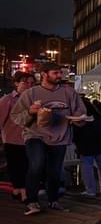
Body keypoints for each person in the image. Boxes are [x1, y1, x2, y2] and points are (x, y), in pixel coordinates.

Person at [11, 62, 87, 215]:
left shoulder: (69, 93)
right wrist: (31, 112)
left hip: (60, 136)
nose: (59, 76)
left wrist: (79, 119)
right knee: (37, 164)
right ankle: (32, 202)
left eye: (60, 73)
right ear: (44, 74)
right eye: (55, 73)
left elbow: (81, 113)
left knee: (54, 170)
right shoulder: (31, 93)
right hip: (35, 135)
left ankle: (53, 200)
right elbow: (16, 116)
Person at [0, 71, 35, 201]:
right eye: (25, 82)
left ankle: (18, 190)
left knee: (28, 166)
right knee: (15, 166)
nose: (28, 85)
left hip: (30, 138)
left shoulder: (33, 100)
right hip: (12, 139)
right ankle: (22, 191)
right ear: (16, 83)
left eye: (32, 83)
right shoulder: (7, 100)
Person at [73, 97, 101, 197]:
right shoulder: (100, 118)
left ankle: (90, 190)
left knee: (87, 168)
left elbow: (75, 136)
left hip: (86, 146)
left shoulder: (80, 121)